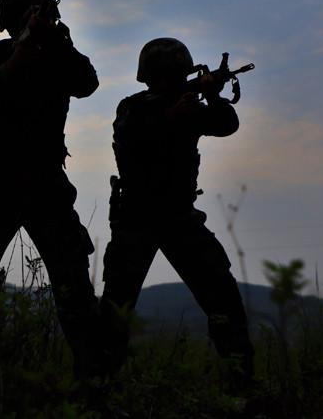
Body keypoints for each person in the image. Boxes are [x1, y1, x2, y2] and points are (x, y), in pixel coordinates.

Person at [0, 0, 101, 377]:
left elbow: (88, 83)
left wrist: (56, 42)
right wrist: (18, 56)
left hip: (46, 185)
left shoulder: (60, 56)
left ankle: (94, 384)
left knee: (74, 291)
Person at [100, 37, 254, 381]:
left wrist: (212, 95)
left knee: (223, 299)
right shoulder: (133, 108)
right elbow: (131, 136)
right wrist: (173, 116)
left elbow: (227, 123)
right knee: (116, 310)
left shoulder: (189, 109)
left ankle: (241, 384)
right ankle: (98, 387)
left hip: (179, 216)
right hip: (136, 218)